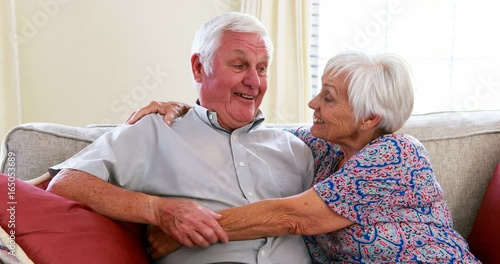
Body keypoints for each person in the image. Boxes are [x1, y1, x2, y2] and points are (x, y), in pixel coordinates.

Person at [131, 52, 480, 263]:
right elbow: (250, 133)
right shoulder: (325, 147)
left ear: (369, 118)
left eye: (328, 98)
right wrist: (186, 110)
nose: (313, 104)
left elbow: (292, 217)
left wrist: (187, 231)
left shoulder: (397, 155)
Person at [47, 12, 315, 264]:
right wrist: (158, 210)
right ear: (199, 68)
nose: (254, 82)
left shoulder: (298, 149)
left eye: (262, 68)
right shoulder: (156, 131)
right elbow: (66, 183)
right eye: (239, 65)